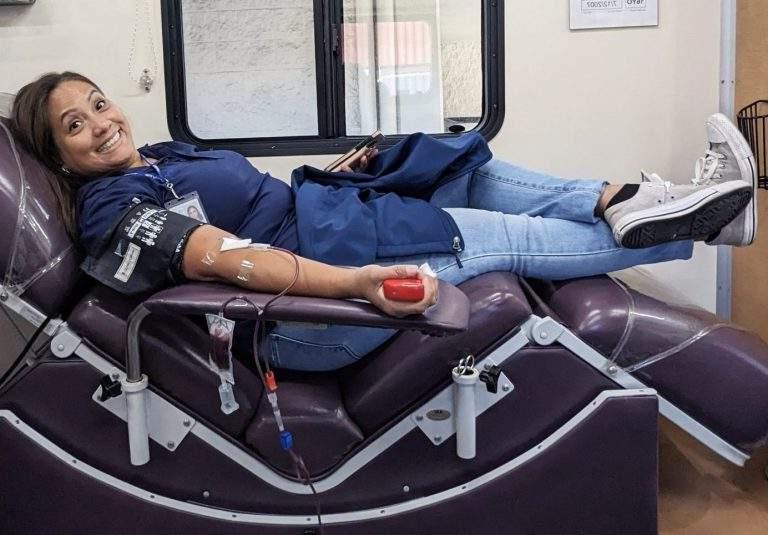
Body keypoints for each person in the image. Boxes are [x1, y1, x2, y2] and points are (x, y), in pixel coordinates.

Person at [10, 72, 757, 371]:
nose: (101, 124)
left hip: (323, 221)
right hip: (307, 309)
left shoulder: (157, 156)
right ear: (61, 156)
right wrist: (356, 281)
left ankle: (634, 201)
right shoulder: (115, 206)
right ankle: (696, 223)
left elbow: (243, 204)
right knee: (492, 238)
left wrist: (341, 177)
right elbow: (217, 257)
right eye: (75, 125)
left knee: (459, 167)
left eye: (99, 103)